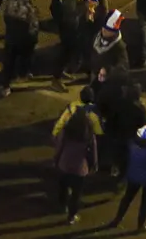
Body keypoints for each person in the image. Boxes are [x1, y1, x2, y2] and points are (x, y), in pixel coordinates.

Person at [108, 125, 146, 231]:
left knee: (127, 199)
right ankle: (140, 226)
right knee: (145, 202)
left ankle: (116, 220)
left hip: (134, 177)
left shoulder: (132, 146)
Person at [53, 93, 98, 225]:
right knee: (76, 194)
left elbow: (59, 147)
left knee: (63, 187)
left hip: (64, 165)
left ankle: (62, 206)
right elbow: (93, 152)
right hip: (80, 168)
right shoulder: (89, 134)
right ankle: (71, 217)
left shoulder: (67, 131)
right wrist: (94, 165)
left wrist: (56, 159)